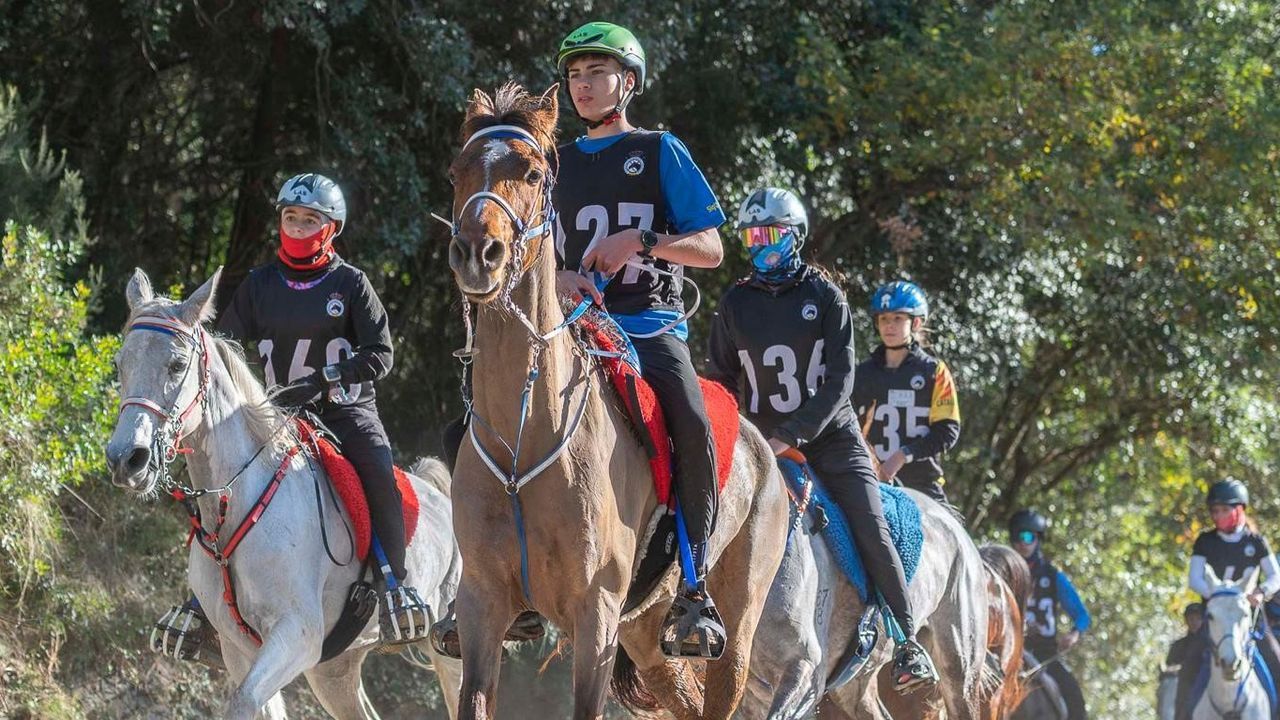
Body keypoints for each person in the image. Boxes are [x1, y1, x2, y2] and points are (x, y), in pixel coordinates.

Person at [151, 173, 429, 664]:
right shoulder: (259, 285)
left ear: (332, 228)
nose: (298, 228)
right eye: (290, 218)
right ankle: (201, 603)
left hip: (346, 410)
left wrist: (328, 377)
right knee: (220, 480)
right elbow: (224, 348)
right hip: (276, 410)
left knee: (378, 477)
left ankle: (393, 586)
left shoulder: (351, 283)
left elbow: (381, 353)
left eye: (310, 220)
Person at [706, 186, 939, 691]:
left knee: (871, 524)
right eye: (752, 237)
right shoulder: (735, 302)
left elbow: (841, 383)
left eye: (771, 235)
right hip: (761, 443)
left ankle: (906, 642)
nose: (761, 246)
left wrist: (792, 434)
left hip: (831, 440)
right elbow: (722, 379)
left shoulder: (824, 296)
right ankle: (691, 610)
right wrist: (736, 435)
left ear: (795, 236)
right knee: (702, 504)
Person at [550, 20, 729, 659]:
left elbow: (710, 248)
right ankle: (486, 581)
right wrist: (561, 275)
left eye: (596, 73)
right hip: (570, 328)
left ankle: (695, 586)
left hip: (649, 325)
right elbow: (528, 249)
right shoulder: (555, 161)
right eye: (574, 75)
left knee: (692, 424)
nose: (583, 86)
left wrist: (644, 241)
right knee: (477, 416)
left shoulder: (660, 151)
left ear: (628, 82)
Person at [1174, 479, 1280, 720]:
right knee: (1189, 666)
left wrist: (1261, 592)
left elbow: (1276, 576)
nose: (1218, 516)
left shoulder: (1256, 541)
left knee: (1276, 660)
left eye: (1223, 510)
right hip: (1213, 618)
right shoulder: (1205, 541)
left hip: (1250, 619)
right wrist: (1219, 595)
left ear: (1239, 509)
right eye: (1214, 511)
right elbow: (1195, 579)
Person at [851, 281, 960, 505]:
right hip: (871, 481)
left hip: (922, 483)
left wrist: (902, 455)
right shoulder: (861, 374)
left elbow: (947, 431)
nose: (889, 325)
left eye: (898, 318)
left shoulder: (934, 371)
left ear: (916, 322)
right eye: (884, 319)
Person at [1010, 509, 1091, 720]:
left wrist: (1074, 634)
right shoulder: (1004, 575)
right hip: (1010, 653)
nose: (1022, 542)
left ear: (1038, 539)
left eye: (1028, 536)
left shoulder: (1053, 576)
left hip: (1045, 654)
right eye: (1017, 537)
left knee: (1074, 695)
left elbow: (1082, 615)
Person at [1164, 602, 1204, 670]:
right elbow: (1170, 667)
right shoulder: (1178, 645)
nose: (1194, 622)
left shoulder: (1210, 644)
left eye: (1198, 618)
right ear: (1186, 620)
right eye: (1191, 619)